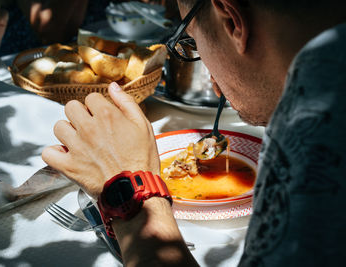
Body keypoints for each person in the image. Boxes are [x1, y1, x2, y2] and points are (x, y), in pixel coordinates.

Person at [42, 0, 346, 266]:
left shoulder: (319, 117)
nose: (214, 85)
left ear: (230, 18)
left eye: (193, 42)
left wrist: (130, 191)